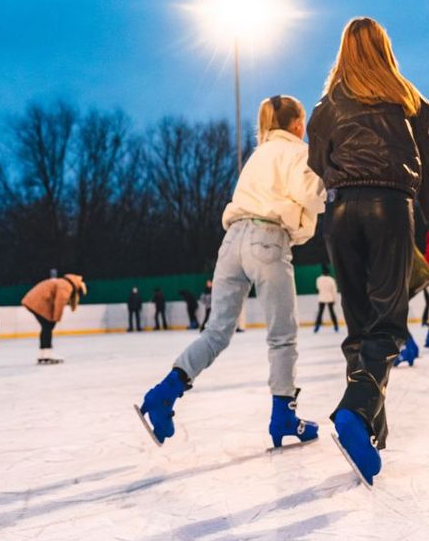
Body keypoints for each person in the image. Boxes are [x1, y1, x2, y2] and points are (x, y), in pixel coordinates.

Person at [307, 17, 429, 486]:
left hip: (342, 213)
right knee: (388, 327)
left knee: (360, 328)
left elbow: (315, 167)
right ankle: (355, 410)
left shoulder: (325, 109)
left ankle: (371, 430)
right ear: (385, 50)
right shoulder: (411, 101)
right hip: (390, 209)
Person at [138, 94, 326, 450]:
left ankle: (165, 392)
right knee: (282, 335)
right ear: (299, 125)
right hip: (267, 239)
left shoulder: (256, 157)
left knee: (216, 332)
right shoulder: (297, 152)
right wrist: (326, 178)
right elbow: (312, 196)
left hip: (231, 242)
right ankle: (283, 414)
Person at [21, 274, 87, 364]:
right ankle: (47, 354)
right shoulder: (66, 286)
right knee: (48, 327)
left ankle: (43, 354)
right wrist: (56, 318)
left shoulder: (64, 282)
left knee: (47, 327)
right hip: (37, 302)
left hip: (34, 300)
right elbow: (60, 301)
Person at [314, 264, 339, 333]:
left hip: (321, 298)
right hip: (330, 298)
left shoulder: (318, 279)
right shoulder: (331, 280)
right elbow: (334, 290)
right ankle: (336, 326)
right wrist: (335, 299)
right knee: (332, 313)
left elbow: (318, 288)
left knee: (320, 313)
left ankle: (317, 327)